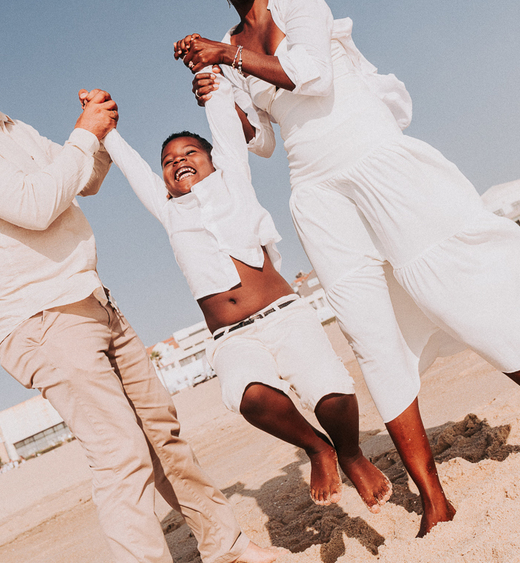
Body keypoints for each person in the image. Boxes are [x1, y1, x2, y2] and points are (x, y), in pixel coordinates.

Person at [173, 0, 520, 536]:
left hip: (372, 159)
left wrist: (229, 56)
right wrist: (219, 91)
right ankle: (434, 497)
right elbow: (267, 138)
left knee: (450, 290)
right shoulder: (232, 40)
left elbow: (313, 74)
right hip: (316, 193)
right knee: (368, 333)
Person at [0, 24, 280, 563]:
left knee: (164, 434)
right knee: (120, 453)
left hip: (92, 299)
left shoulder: (14, 129)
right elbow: (36, 205)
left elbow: (83, 180)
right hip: (37, 318)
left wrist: (101, 130)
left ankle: (226, 546)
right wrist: (83, 134)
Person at [97, 72, 391, 511]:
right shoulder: (169, 210)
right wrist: (106, 128)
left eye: (189, 152)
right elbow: (132, 166)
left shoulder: (233, 179)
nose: (178, 160)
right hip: (231, 337)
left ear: (212, 160)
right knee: (249, 395)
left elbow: (223, 125)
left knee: (331, 394)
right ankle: (317, 448)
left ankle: (349, 452)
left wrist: (208, 78)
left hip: (283, 315)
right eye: (168, 160)